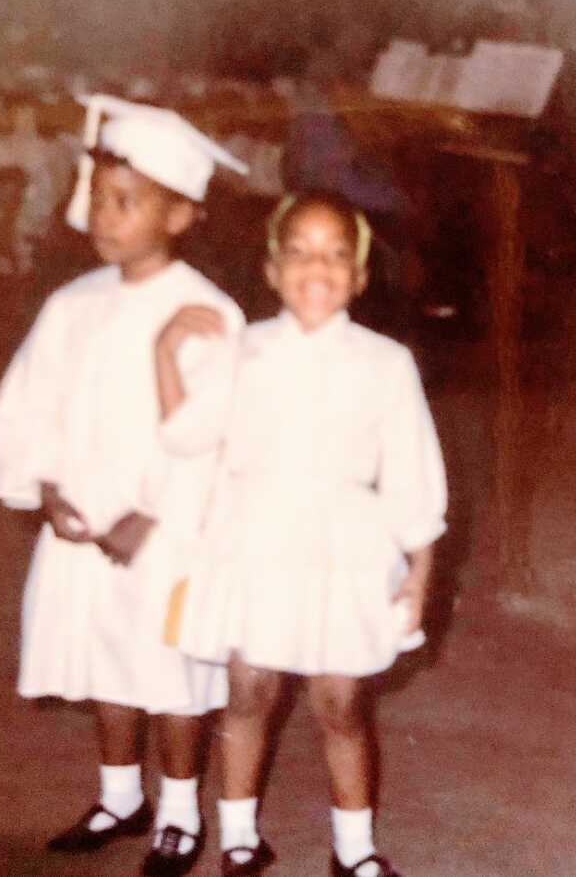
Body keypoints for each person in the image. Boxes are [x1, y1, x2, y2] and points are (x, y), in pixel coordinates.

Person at [0, 94, 247, 877]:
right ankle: (118, 796)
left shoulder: (208, 311)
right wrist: (42, 491)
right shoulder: (73, 304)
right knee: (104, 661)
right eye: (100, 199)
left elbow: (217, 434)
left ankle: (177, 813)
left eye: (128, 203)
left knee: (167, 674)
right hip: (79, 523)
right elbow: (22, 403)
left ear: (180, 215)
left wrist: (148, 515)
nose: (106, 217)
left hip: (165, 531)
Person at [179, 191, 448, 877]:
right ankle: (238, 832)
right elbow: (192, 442)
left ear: (359, 277)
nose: (316, 268)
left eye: (335, 255)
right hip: (256, 543)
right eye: (298, 252)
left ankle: (354, 848)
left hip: (346, 548)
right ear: (272, 271)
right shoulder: (239, 351)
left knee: (342, 701)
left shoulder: (386, 362)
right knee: (250, 689)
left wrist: (419, 571)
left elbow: (413, 472)